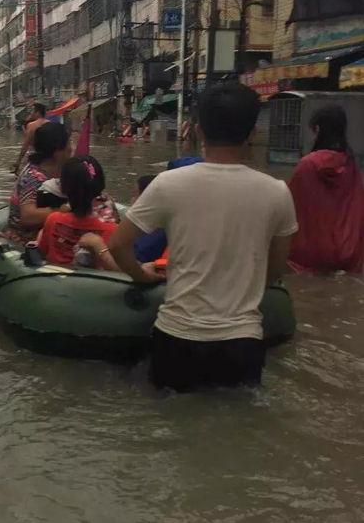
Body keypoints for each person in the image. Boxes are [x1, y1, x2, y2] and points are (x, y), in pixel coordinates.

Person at [109, 82, 298, 392]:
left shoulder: (168, 184)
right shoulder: (277, 192)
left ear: (197, 131)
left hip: (178, 339)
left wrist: (141, 277)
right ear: (253, 133)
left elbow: (117, 243)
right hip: (242, 344)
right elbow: (275, 270)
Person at [288, 104, 364, 274]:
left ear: (317, 129)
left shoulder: (307, 164)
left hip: (310, 256)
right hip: (348, 253)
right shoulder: (351, 163)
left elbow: (289, 206)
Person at [37, 155, 120, 269]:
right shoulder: (113, 231)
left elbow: (41, 254)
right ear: (100, 188)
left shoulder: (53, 220)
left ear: (62, 189)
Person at [5, 122, 71, 245]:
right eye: (68, 144)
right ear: (58, 152)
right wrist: (64, 210)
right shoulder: (33, 177)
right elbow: (28, 216)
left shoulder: (54, 170)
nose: (71, 148)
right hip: (24, 239)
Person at [11, 103, 48, 174]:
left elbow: (26, 144)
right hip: (48, 157)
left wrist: (18, 161)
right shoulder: (50, 123)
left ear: (37, 112)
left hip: (35, 156)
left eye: (33, 111)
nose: (31, 113)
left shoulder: (31, 125)